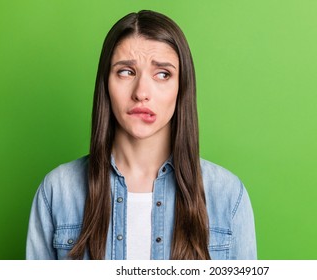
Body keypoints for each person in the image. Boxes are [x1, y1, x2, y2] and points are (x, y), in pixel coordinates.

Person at [26, 10, 257, 260]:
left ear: (181, 88)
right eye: (126, 71)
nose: (141, 92)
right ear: (106, 83)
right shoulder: (57, 191)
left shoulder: (227, 194)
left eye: (162, 74)